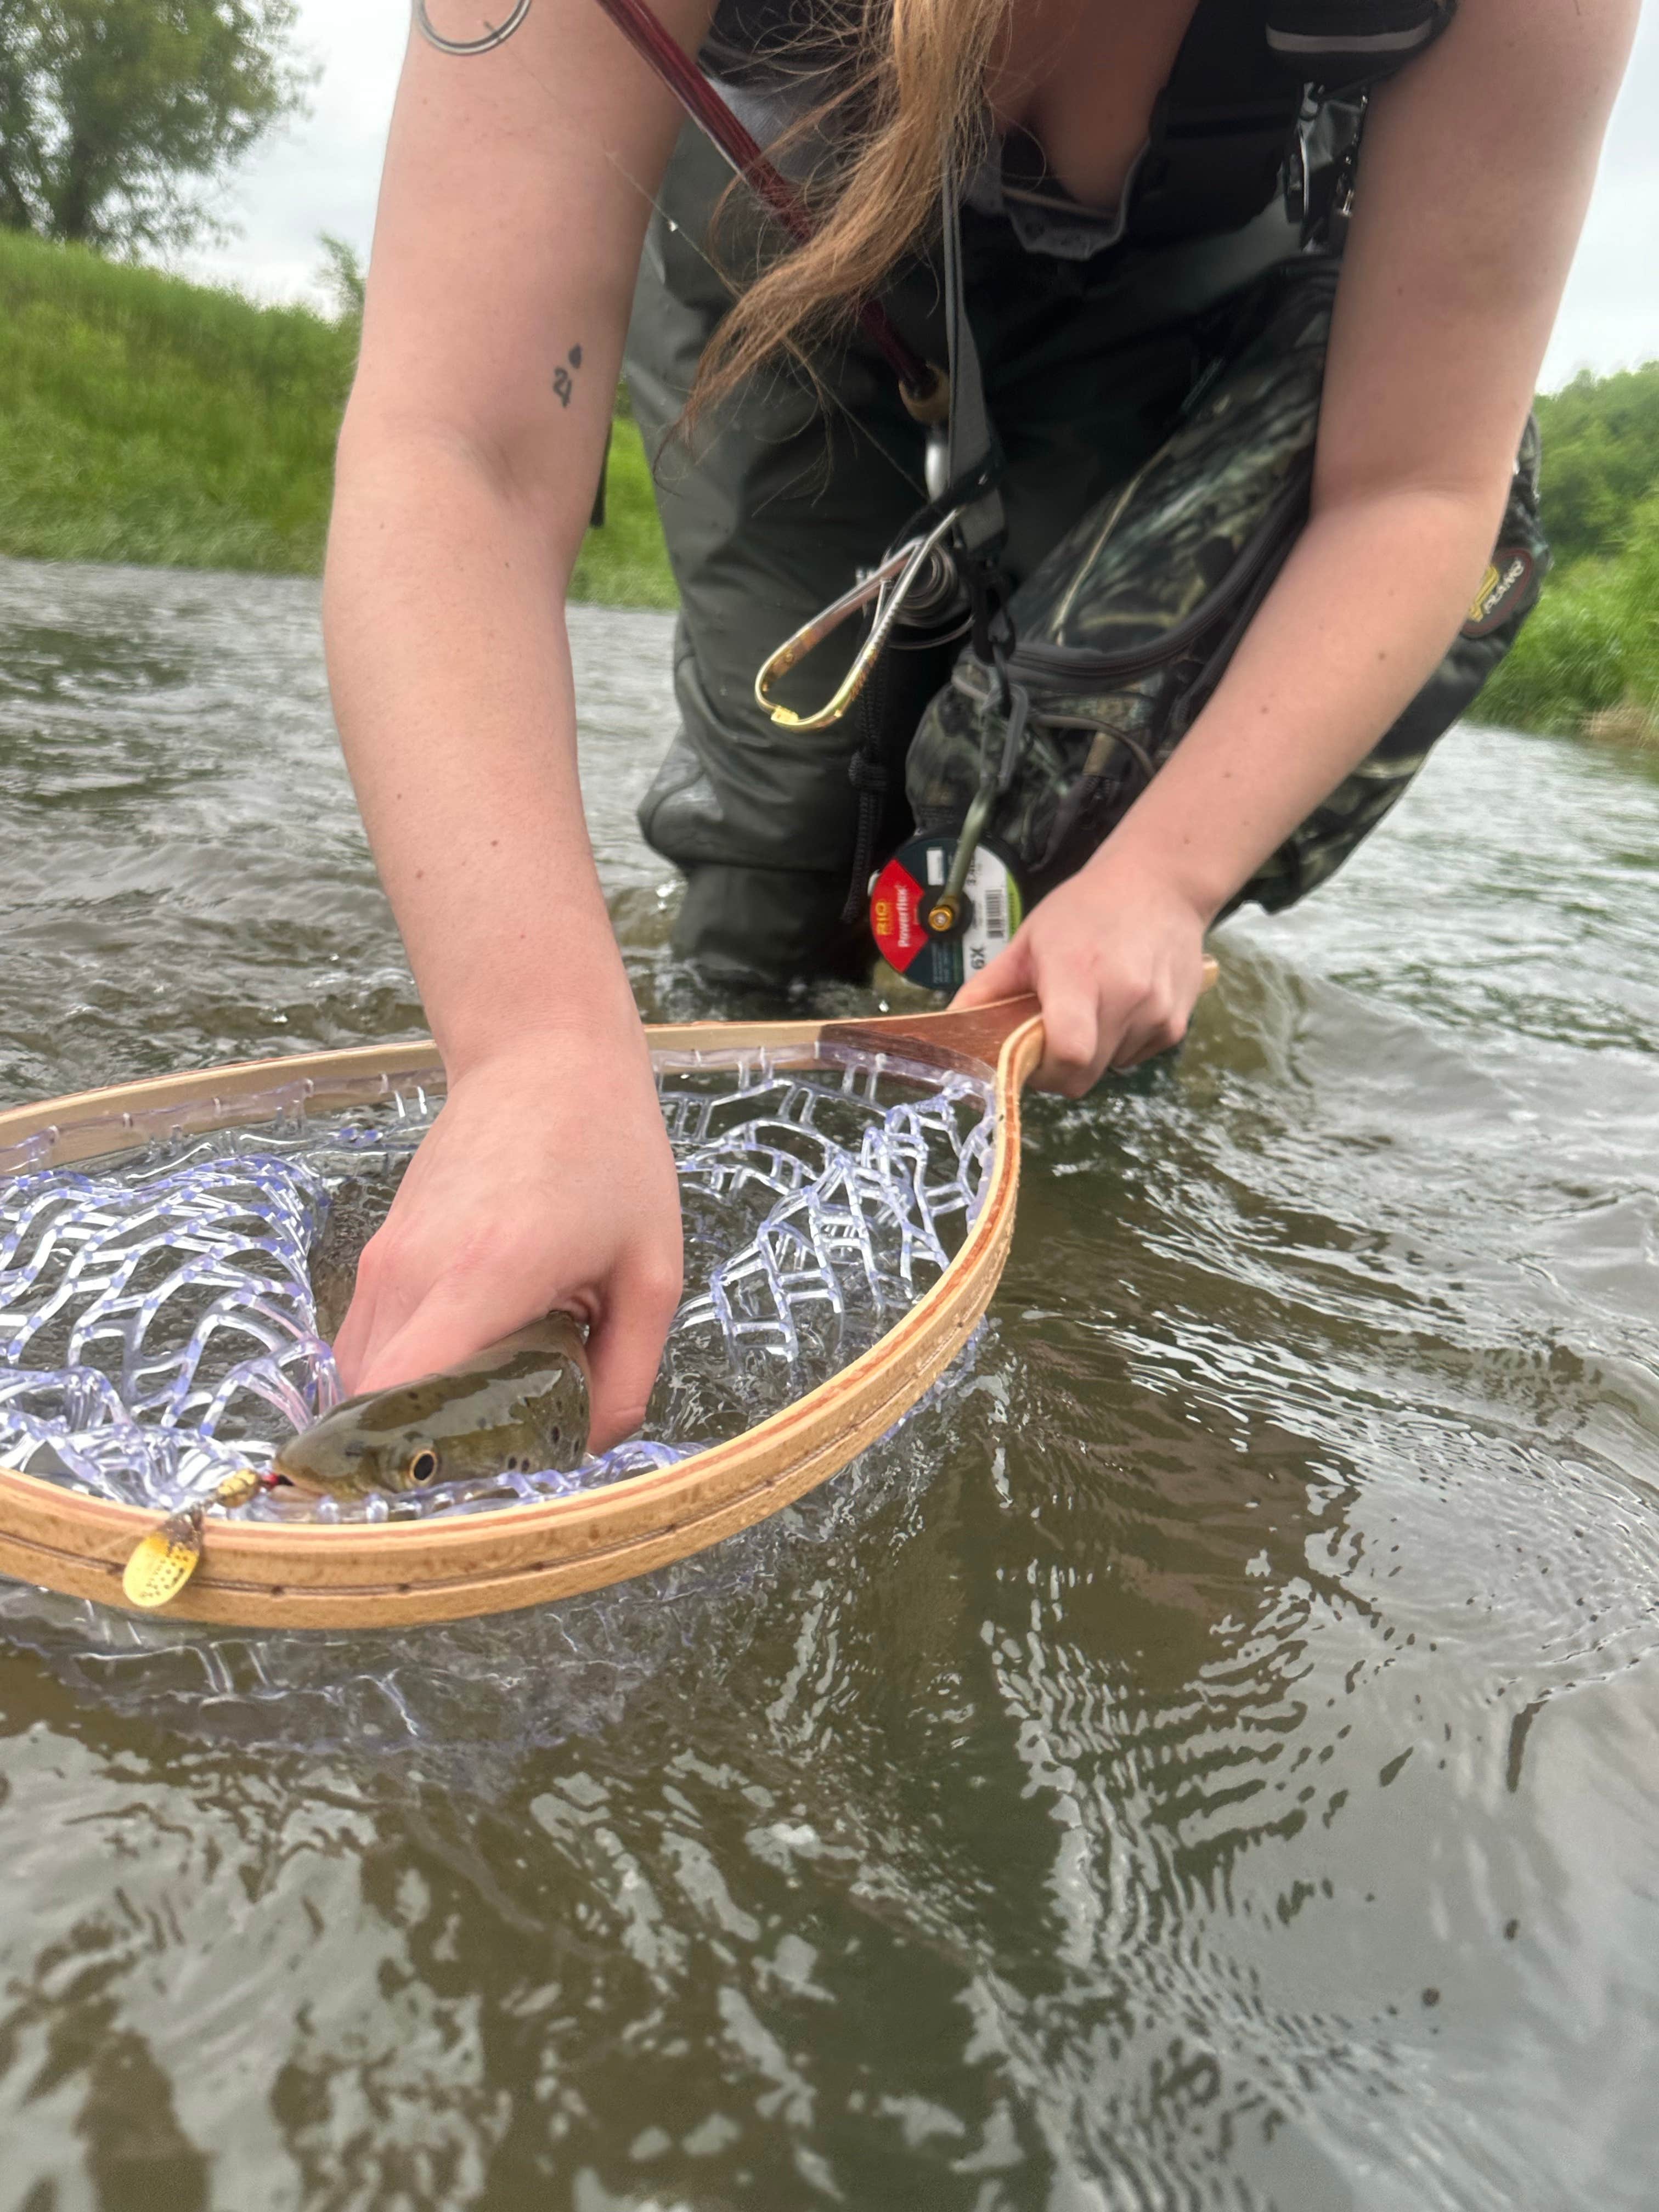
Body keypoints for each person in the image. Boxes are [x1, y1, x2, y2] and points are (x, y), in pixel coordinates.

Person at [323, 0, 1637, 1451]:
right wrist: (534, 1048)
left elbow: (1418, 490)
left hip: (1183, 290)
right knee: (771, 888)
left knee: (1032, 887)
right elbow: (460, 448)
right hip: (782, 231)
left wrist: (1162, 883)